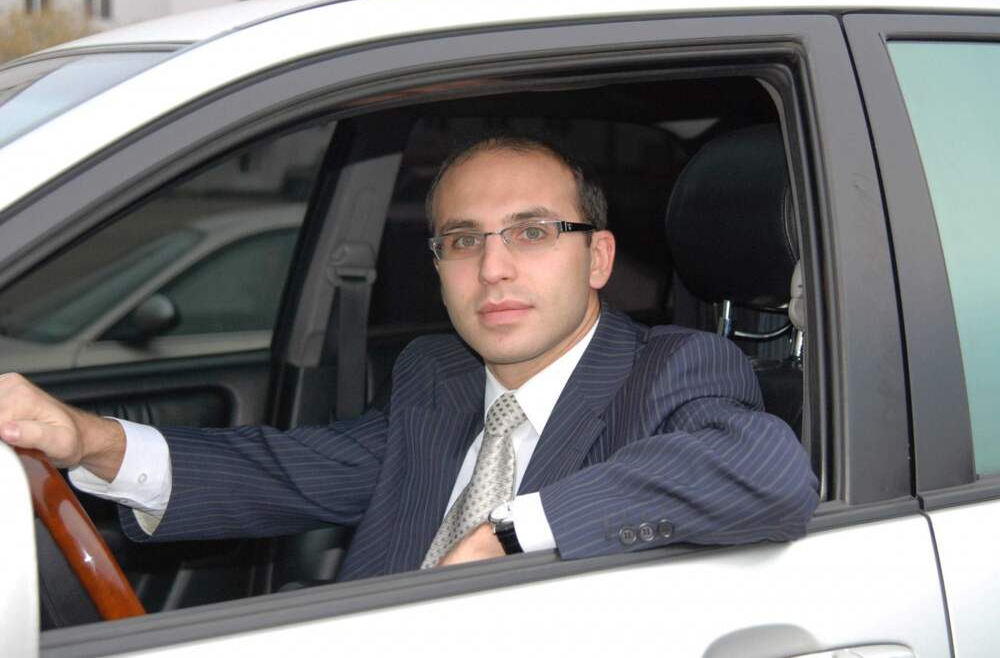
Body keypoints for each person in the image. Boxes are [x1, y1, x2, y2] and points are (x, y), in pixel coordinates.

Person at [0, 135, 819, 581]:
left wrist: (509, 534)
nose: (492, 268)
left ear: (597, 258)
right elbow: (282, 470)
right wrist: (86, 438)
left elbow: (763, 470)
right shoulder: (438, 379)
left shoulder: (672, 369)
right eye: (463, 240)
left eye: (533, 232)